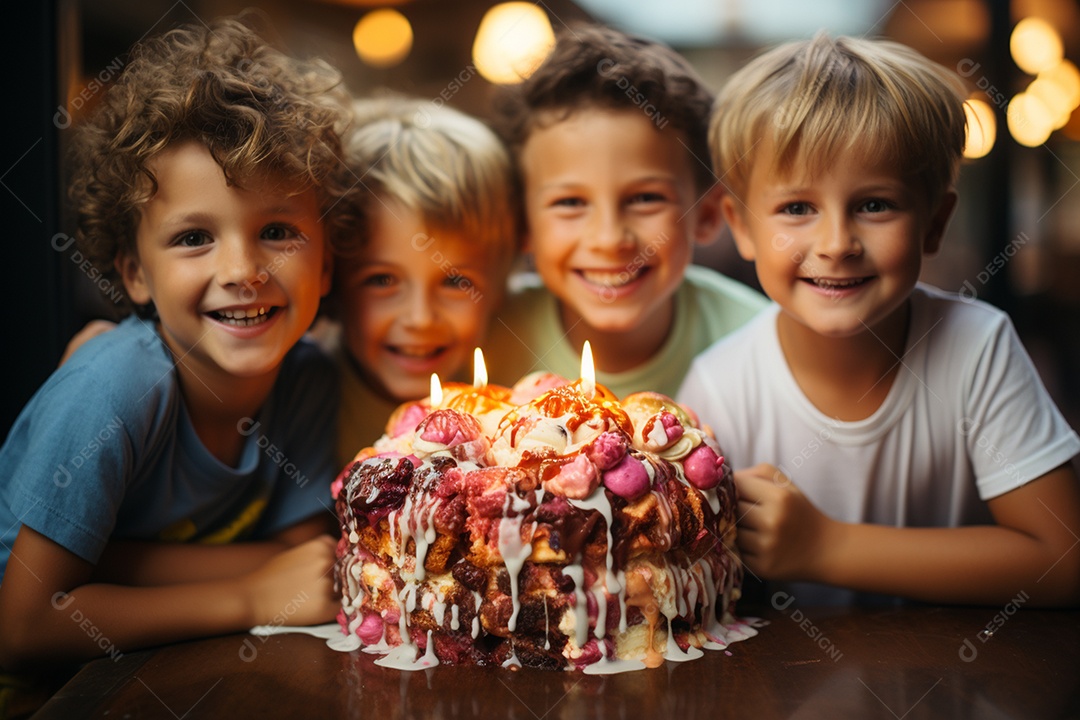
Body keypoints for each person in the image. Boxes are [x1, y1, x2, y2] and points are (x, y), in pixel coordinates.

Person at [0, 17, 354, 668]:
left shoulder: (307, 377)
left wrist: (111, 560)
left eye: (277, 231)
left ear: (326, 263)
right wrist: (248, 596)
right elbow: (20, 628)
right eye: (194, 238)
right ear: (135, 273)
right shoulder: (113, 390)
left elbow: (306, 561)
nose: (243, 270)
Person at [679, 32, 1080, 607]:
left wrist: (828, 547)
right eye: (797, 208)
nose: (837, 244)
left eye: (874, 205)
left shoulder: (977, 348)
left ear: (934, 224)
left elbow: (1063, 561)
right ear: (741, 226)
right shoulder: (720, 386)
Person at [486, 23, 768, 400]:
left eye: (645, 199)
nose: (610, 239)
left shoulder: (760, 344)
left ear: (707, 214)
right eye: (570, 203)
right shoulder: (483, 335)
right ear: (521, 223)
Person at [322, 96, 518, 466]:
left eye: (455, 282)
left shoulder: (518, 391)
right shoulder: (303, 401)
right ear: (331, 284)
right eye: (382, 280)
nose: (420, 318)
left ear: (500, 287)